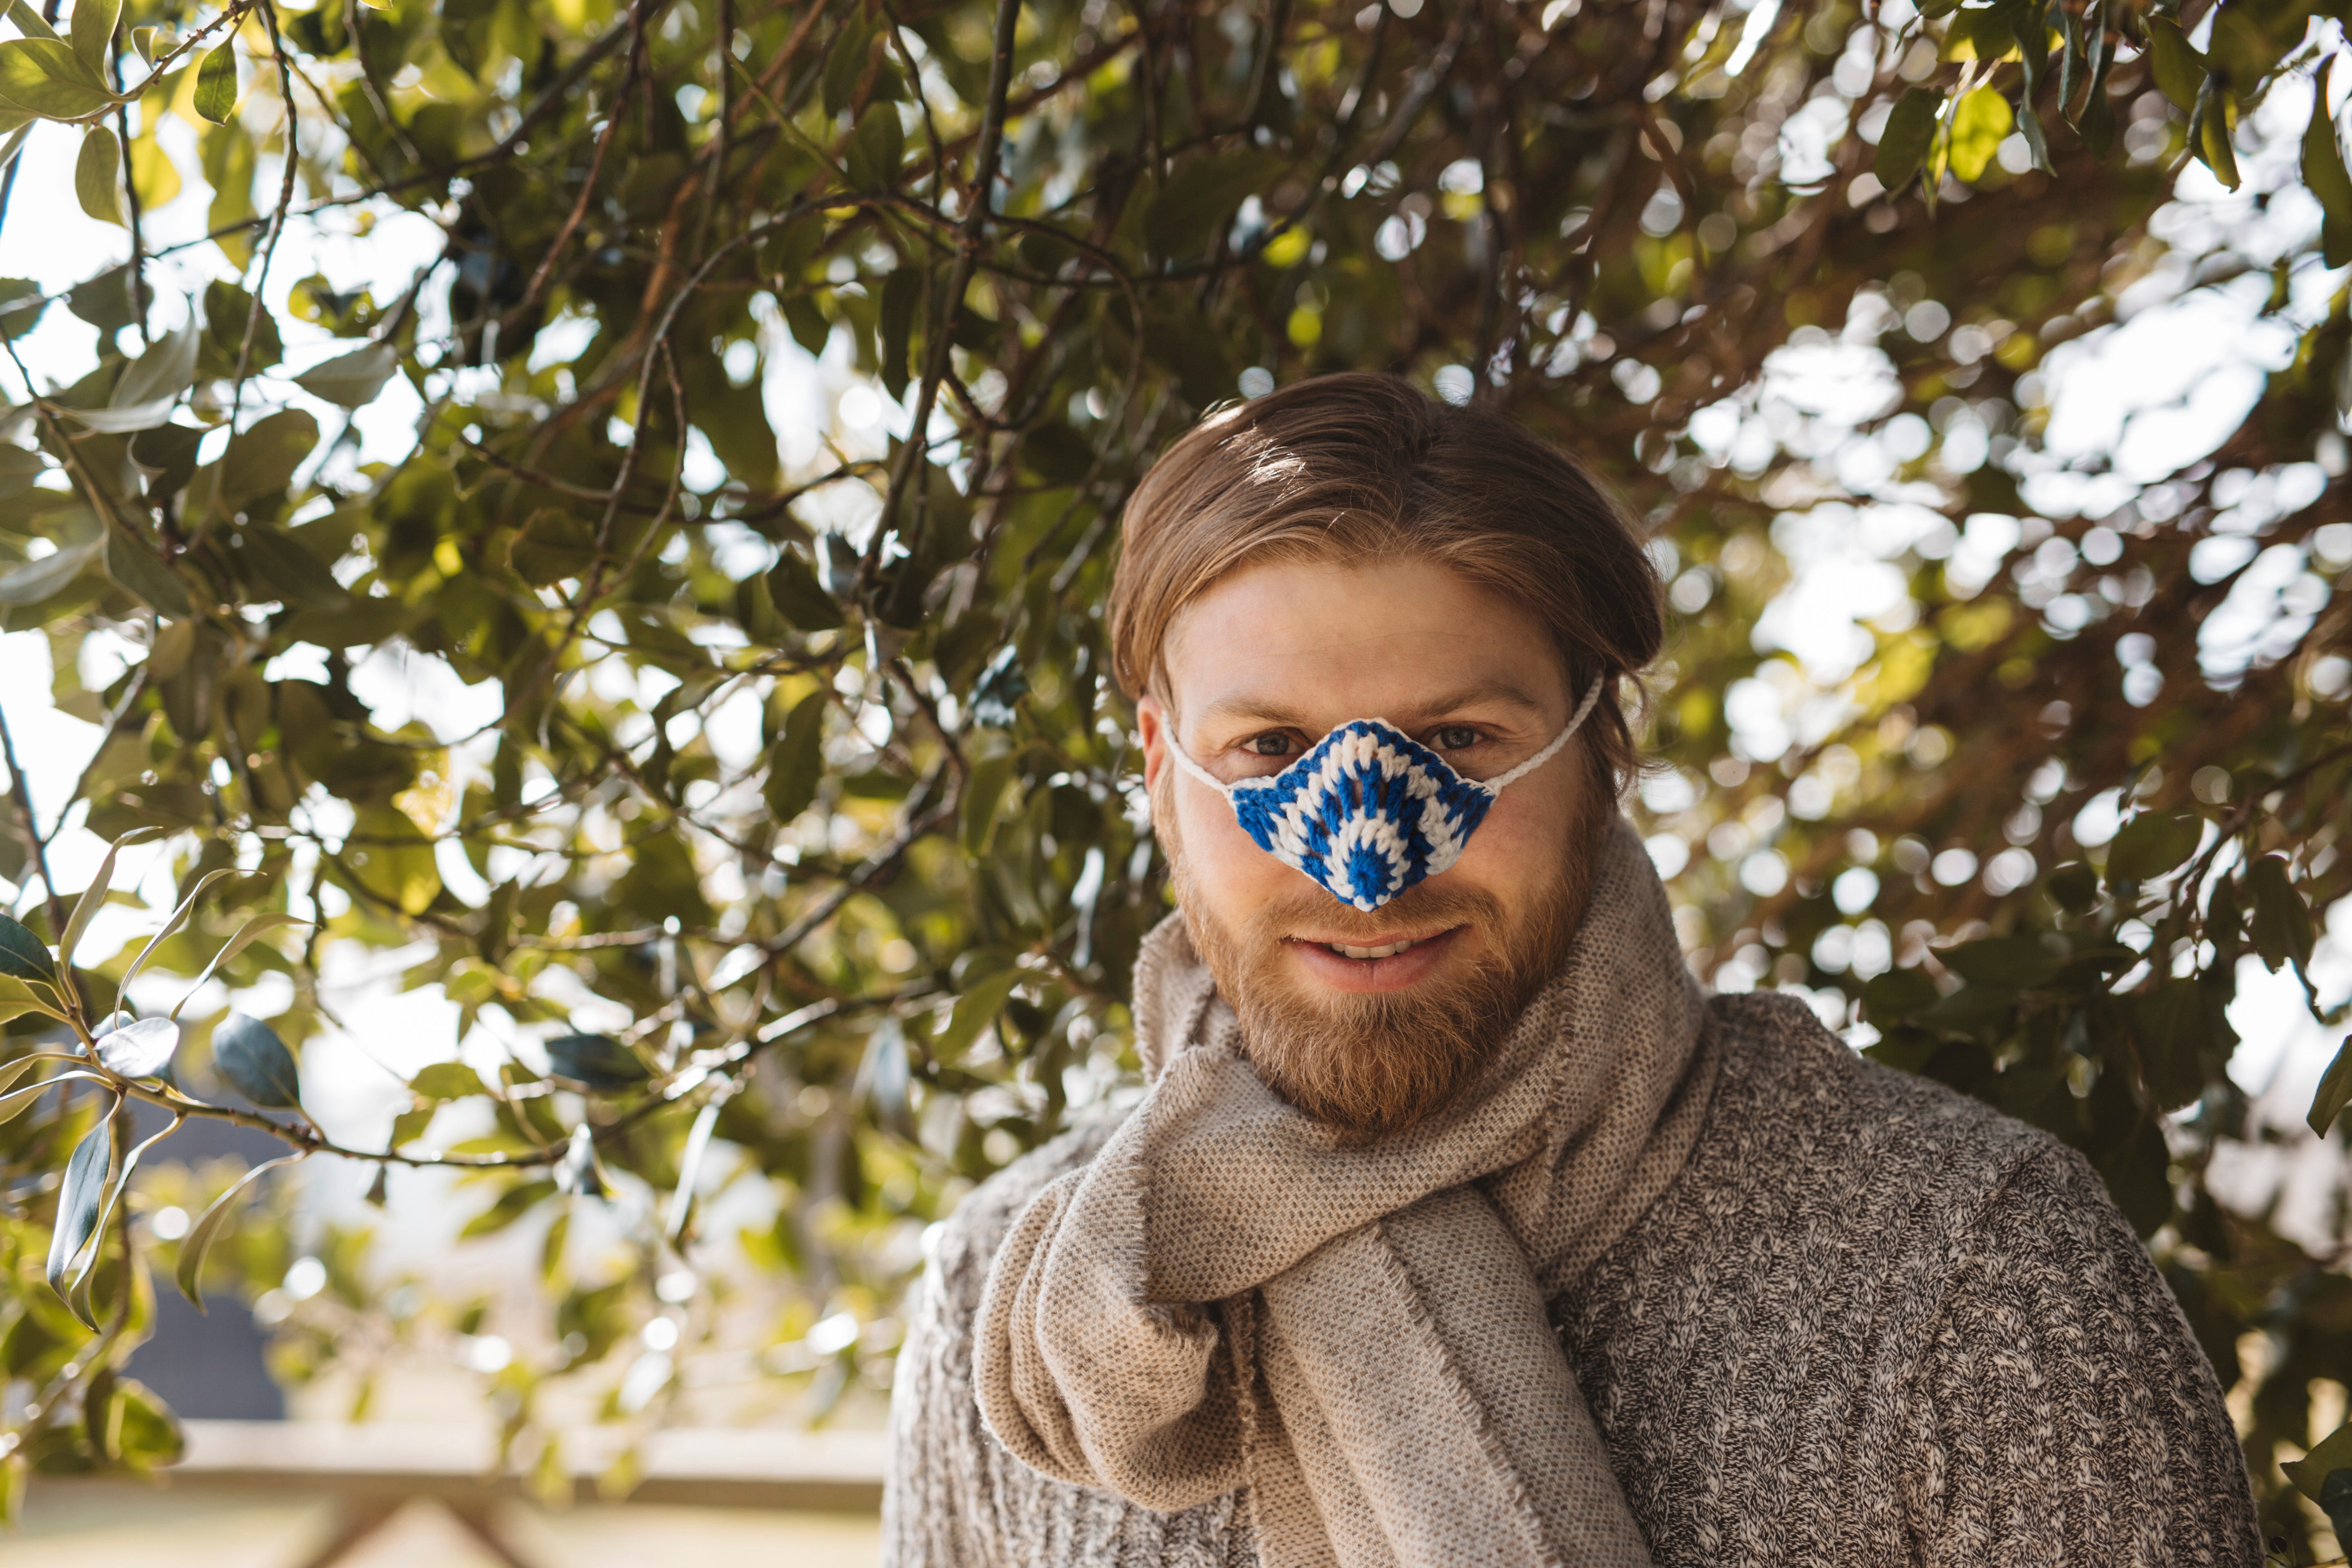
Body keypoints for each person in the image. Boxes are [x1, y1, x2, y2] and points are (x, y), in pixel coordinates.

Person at [881, 372, 2260, 1567]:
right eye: (1269, 753)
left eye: (1464, 741)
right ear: (1158, 769)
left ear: (1602, 750)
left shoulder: (1970, 1273)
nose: (1368, 867)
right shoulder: (1011, 1296)